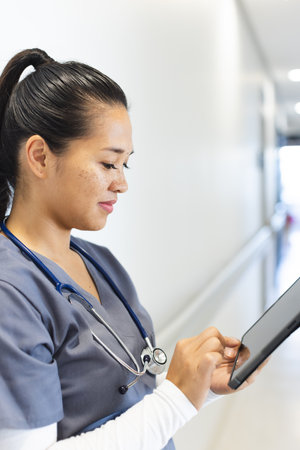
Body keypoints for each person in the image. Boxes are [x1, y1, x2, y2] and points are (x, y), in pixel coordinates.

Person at [0, 48, 263, 450]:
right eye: (109, 164)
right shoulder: (10, 294)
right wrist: (176, 397)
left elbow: (136, 405)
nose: (121, 183)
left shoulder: (100, 264)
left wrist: (200, 389)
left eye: (127, 165)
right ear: (39, 156)